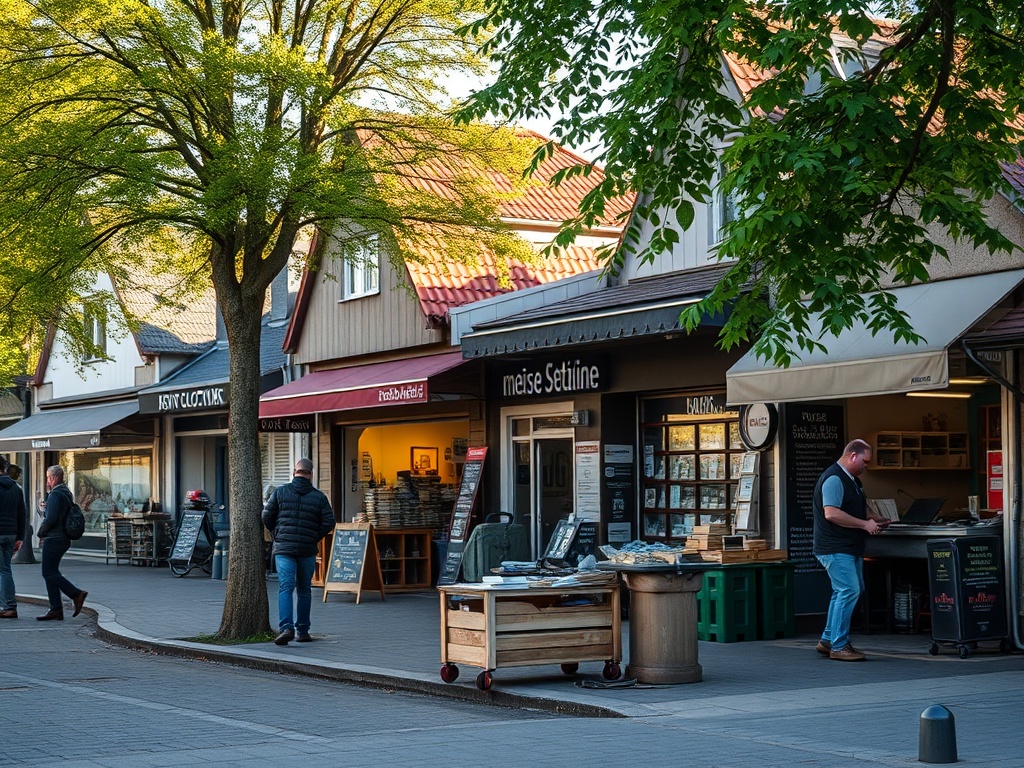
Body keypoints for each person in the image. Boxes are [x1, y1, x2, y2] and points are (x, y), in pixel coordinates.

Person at [812, 439, 889, 661]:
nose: (867, 466)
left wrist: (874, 517)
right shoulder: (834, 479)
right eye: (865, 461)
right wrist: (865, 525)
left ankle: (828, 639)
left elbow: (858, 505)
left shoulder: (852, 480)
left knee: (844, 591)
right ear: (852, 456)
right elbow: (832, 513)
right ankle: (839, 645)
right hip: (835, 547)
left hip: (847, 546)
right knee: (849, 590)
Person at [262, 458, 335, 645]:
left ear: (295, 472)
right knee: (304, 590)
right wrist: (314, 536)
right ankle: (303, 630)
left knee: (285, 588)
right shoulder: (319, 497)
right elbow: (329, 522)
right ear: (310, 474)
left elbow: (266, 516)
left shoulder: (280, 492)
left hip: (284, 548)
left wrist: (276, 533)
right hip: (307, 549)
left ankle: (286, 628)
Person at [36, 465, 87, 621]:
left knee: (48, 572)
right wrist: (46, 508)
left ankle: (76, 594)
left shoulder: (56, 495)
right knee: (51, 573)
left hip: (55, 538)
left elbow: (51, 519)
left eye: (48, 477)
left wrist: (41, 532)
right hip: (61, 538)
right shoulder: (65, 493)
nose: (47, 481)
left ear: (53, 477)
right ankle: (56, 609)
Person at [0, 456, 26, 619]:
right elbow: (22, 513)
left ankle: (9, 606)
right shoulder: (16, 488)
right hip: (10, 534)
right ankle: (8, 605)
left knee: (3, 571)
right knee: (5, 570)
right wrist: (20, 537)